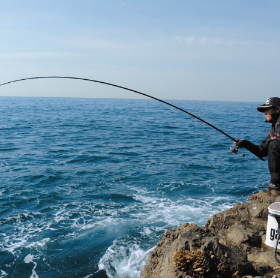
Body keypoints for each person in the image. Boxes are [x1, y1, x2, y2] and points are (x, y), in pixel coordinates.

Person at [236, 97, 280, 190]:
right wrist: (244, 143)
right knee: (273, 143)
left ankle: (276, 183)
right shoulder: (274, 128)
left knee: (274, 144)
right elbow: (262, 151)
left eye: (267, 110)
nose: (265, 113)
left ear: (277, 109)